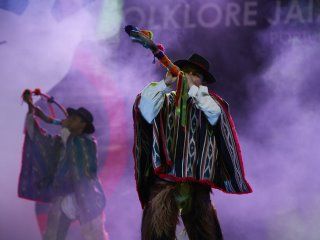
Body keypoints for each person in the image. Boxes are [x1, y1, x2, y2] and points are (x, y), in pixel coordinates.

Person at [133, 53, 252, 240]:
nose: (188, 76)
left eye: (195, 74)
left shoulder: (209, 102)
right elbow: (145, 111)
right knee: (157, 234)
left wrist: (193, 90)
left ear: (201, 81)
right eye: (185, 72)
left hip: (196, 186)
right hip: (165, 184)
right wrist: (165, 83)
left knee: (205, 235)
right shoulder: (165, 100)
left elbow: (216, 115)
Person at [18, 90, 108, 240]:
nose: (69, 119)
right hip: (64, 195)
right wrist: (31, 107)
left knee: (94, 235)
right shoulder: (64, 140)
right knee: (54, 235)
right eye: (70, 117)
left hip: (87, 196)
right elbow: (44, 130)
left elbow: (84, 166)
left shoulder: (86, 143)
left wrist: (64, 130)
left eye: (74, 118)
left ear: (82, 124)